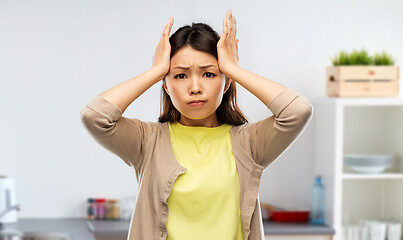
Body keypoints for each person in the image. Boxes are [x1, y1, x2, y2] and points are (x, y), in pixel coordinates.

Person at [80, 9, 313, 240]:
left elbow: (297, 111)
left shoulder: (249, 142)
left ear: (226, 82)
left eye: (209, 74)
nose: (195, 87)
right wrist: (155, 71)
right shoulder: (147, 140)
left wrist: (233, 69)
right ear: (165, 85)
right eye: (180, 75)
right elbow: (95, 116)